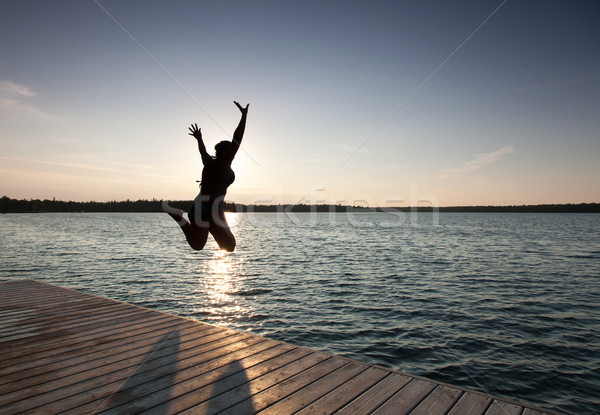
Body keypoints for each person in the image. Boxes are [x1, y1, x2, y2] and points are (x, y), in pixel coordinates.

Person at [163, 101, 249, 251]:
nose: (233, 155)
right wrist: (244, 117)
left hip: (200, 208)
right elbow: (237, 140)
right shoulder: (221, 165)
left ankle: (178, 217)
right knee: (229, 246)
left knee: (197, 245)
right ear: (226, 154)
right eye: (231, 153)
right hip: (209, 210)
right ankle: (193, 221)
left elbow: (203, 152)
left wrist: (199, 138)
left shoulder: (209, 162)